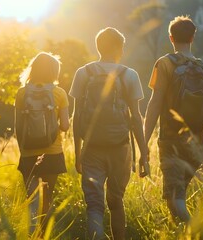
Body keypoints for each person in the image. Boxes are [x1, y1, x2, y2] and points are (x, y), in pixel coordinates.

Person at [69, 27, 149, 240]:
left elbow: (76, 117)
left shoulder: (83, 73)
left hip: (91, 148)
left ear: (98, 47)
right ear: (119, 48)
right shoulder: (129, 75)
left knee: (94, 205)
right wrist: (144, 154)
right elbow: (136, 118)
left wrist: (78, 153)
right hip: (120, 148)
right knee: (116, 202)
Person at [144, 15, 203, 223]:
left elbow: (154, 104)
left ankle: (197, 233)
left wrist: (143, 143)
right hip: (196, 143)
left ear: (171, 38)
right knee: (175, 196)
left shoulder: (165, 64)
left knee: (176, 198)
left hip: (171, 143)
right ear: (193, 38)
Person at [14, 52, 70, 236]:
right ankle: (43, 235)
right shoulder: (59, 93)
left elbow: (18, 127)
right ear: (54, 72)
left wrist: (24, 148)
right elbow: (65, 126)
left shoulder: (22, 93)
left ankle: (30, 235)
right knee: (46, 200)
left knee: (32, 200)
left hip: (28, 154)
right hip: (52, 153)